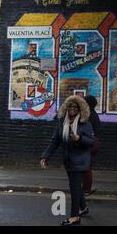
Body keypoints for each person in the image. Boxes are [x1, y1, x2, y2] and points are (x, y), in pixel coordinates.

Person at [40, 95, 95, 226]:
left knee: (74, 187)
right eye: (70, 106)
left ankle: (74, 216)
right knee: (75, 186)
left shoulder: (85, 124)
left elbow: (91, 142)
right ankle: (84, 208)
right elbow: (55, 141)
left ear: (80, 109)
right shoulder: (62, 123)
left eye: (75, 107)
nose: (72, 109)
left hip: (80, 160)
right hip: (68, 161)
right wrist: (45, 156)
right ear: (66, 108)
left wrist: (79, 138)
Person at [82, 95, 101, 196]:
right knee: (86, 166)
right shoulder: (94, 114)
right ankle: (85, 188)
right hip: (94, 143)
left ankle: (85, 189)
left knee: (85, 167)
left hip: (88, 144)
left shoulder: (88, 115)